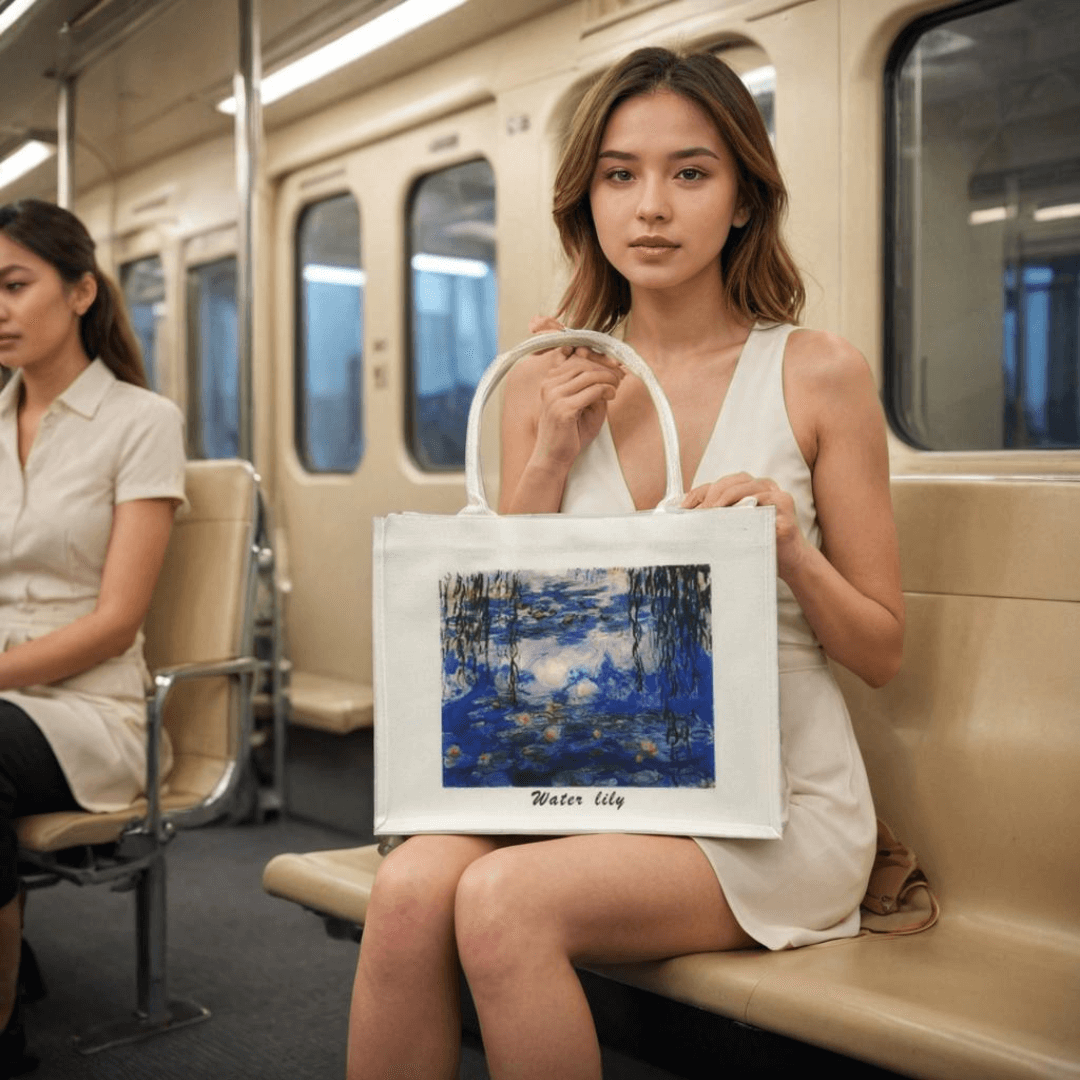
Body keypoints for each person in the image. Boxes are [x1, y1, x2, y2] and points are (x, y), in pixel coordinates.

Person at [347, 46, 903, 1079]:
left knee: (506, 903)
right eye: (619, 174)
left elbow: (880, 650)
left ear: (742, 199)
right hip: (586, 773)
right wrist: (549, 455)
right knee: (410, 889)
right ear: (587, 202)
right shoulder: (548, 377)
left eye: (690, 173)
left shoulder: (819, 373)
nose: (651, 206)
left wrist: (788, 553)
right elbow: (499, 636)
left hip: (771, 799)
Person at [0, 199, 187, 1072]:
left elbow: (115, 624)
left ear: (80, 292)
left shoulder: (140, 422)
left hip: (92, 710)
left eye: (12, 285)